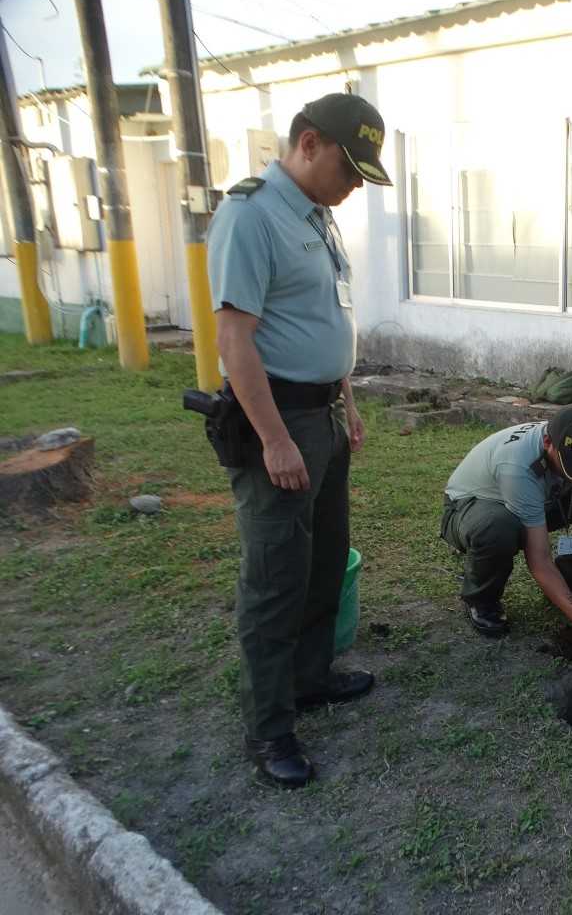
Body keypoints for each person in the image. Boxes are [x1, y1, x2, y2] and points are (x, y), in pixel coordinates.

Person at [208, 93, 393, 787]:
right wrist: (275, 441)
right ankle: (270, 729)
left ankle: (312, 678)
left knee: (323, 562)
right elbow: (236, 339)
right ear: (308, 143)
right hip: (278, 422)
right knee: (275, 579)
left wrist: (346, 402)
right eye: (348, 170)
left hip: (325, 418)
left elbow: (327, 318)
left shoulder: (319, 217)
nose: (352, 187)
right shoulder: (251, 215)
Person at [441, 404, 572, 649]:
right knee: (498, 528)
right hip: (473, 507)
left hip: (543, 499)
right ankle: (481, 600)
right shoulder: (518, 466)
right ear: (548, 443)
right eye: (571, 465)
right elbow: (539, 560)